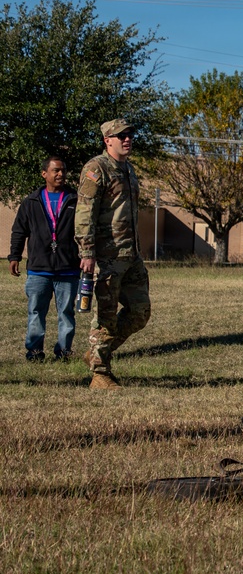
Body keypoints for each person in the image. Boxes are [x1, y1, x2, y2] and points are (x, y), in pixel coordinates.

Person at [75, 119, 150, 389]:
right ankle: (100, 373)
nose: (127, 139)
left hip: (130, 254)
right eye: (121, 136)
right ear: (107, 140)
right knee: (105, 316)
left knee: (140, 312)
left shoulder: (128, 170)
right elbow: (85, 212)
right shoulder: (96, 168)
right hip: (107, 256)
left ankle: (96, 353)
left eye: (130, 135)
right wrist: (86, 250)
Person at [8, 156, 81, 362]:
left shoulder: (76, 200)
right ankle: (34, 352)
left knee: (66, 314)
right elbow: (19, 231)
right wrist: (15, 256)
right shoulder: (31, 202)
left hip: (68, 268)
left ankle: (64, 352)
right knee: (35, 313)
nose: (61, 174)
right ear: (44, 174)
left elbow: (87, 231)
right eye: (56, 170)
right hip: (39, 269)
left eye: (63, 170)